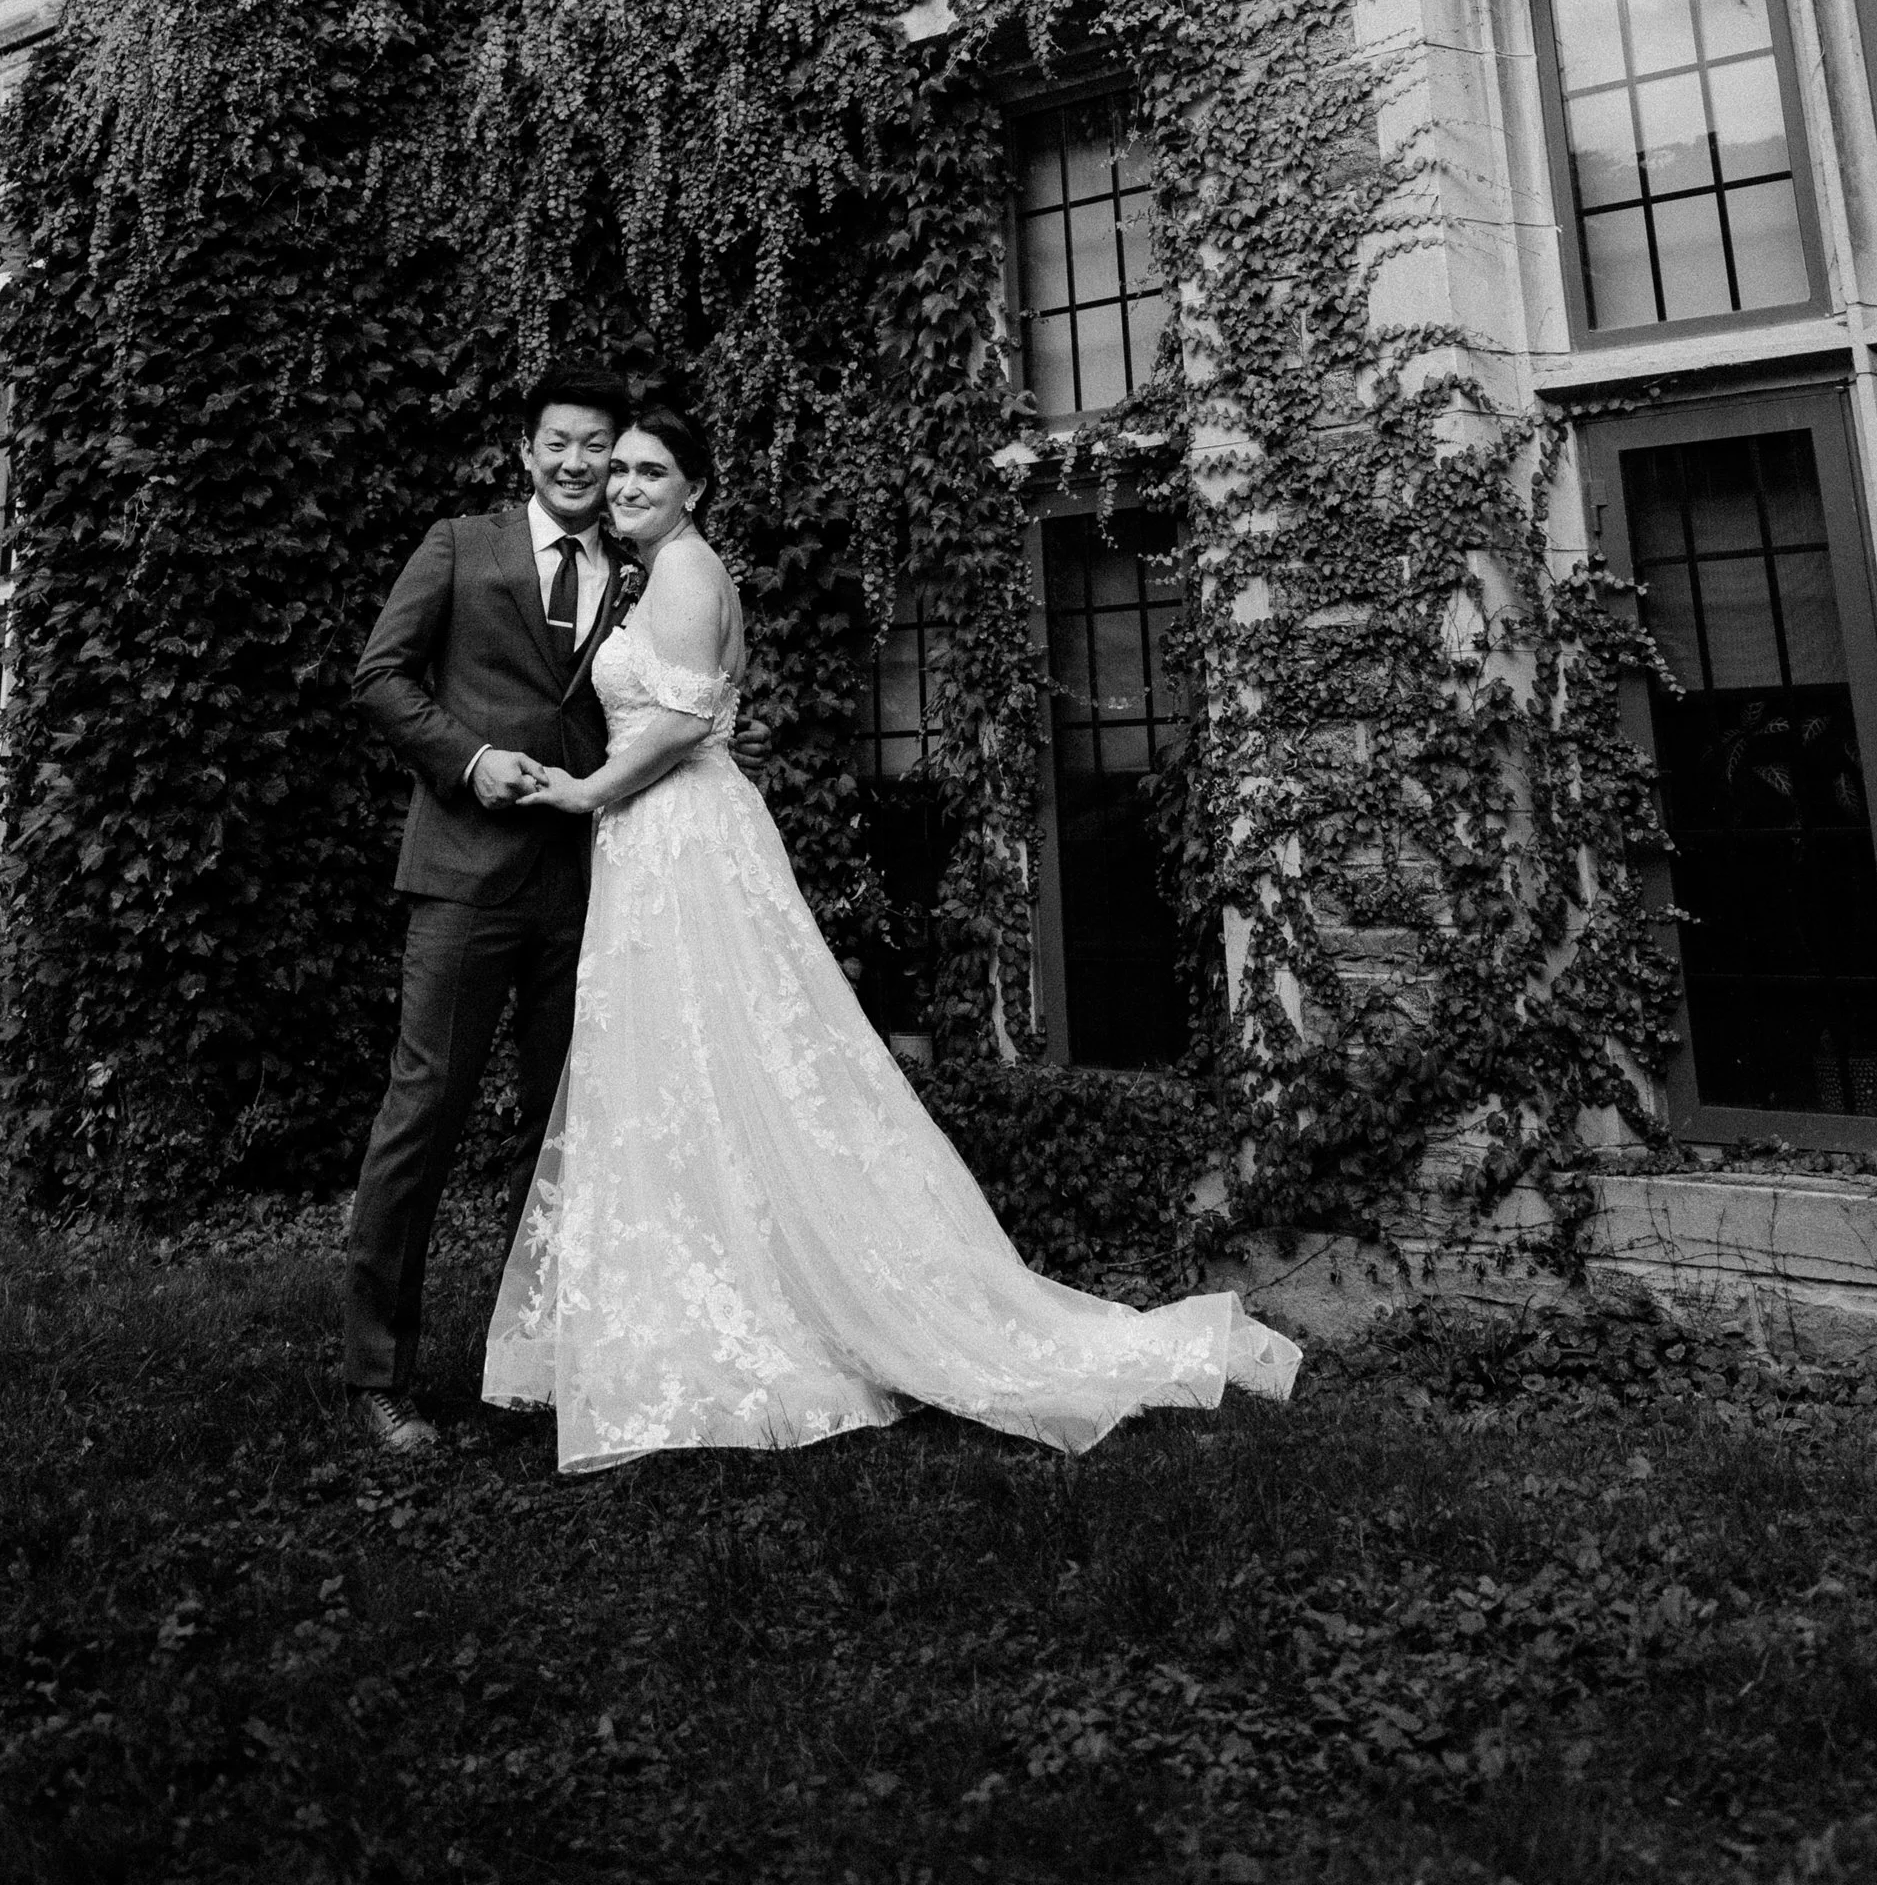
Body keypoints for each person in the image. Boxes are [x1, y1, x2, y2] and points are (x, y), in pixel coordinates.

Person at [484, 391, 1302, 1471]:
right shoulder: (656, 572)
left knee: (723, 1052)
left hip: (678, 836)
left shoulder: (685, 569)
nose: (625, 486)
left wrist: (587, 792)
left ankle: (780, 1307)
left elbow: (682, 723)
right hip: (658, 840)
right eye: (618, 471)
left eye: (649, 473)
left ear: (696, 490)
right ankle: (699, 1291)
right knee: (681, 1063)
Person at [342, 363, 637, 1457]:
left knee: (561, 1134)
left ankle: (533, 1364)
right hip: (465, 876)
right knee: (420, 1121)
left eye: (596, 446)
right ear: (527, 450)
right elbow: (379, 677)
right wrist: (468, 762)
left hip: (587, 886)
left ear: (617, 457)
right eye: (558, 442)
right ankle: (380, 1378)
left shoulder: (639, 570)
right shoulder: (460, 546)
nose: (576, 463)